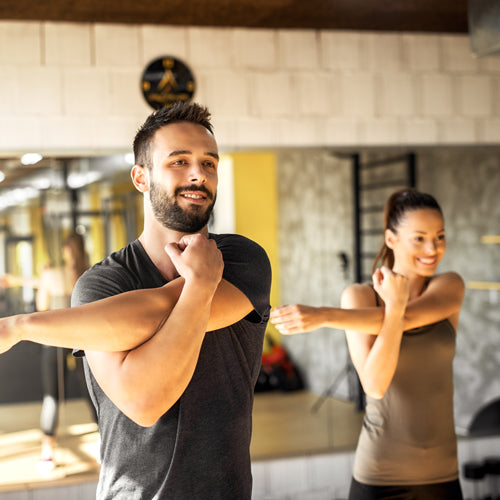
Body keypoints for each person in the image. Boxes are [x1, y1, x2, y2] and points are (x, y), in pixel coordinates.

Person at [0, 102, 271, 499]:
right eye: (179, 161)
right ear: (141, 178)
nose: (199, 173)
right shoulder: (100, 285)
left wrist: (22, 326)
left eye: (209, 163)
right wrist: (200, 286)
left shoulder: (241, 260)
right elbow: (144, 401)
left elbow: (156, 310)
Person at [270, 189, 464, 499]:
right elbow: (374, 385)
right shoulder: (359, 297)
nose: (433, 248)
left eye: (439, 237)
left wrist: (323, 316)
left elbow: (410, 319)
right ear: (391, 239)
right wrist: (393, 307)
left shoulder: (449, 286)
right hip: (380, 475)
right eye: (419, 238)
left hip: (442, 475)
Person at [36, 232, 94, 472]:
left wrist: (44, 278)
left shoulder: (52, 275)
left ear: (65, 251)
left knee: (52, 396)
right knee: (93, 393)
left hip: (56, 340)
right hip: (82, 339)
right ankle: (107, 444)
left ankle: (47, 451)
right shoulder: (90, 273)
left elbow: (41, 306)